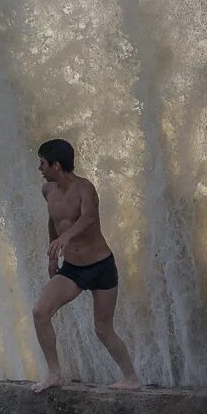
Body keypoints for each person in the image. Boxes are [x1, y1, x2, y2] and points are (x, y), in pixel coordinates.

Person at [30, 139, 140, 393]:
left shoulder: (85, 188)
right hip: (73, 269)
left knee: (103, 329)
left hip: (101, 266)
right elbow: (53, 221)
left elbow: (89, 217)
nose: (40, 168)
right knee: (40, 312)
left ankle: (131, 378)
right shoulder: (48, 191)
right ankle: (55, 374)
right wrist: (51, 256)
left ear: (56, 165)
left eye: (42, 163)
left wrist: (66, 237)